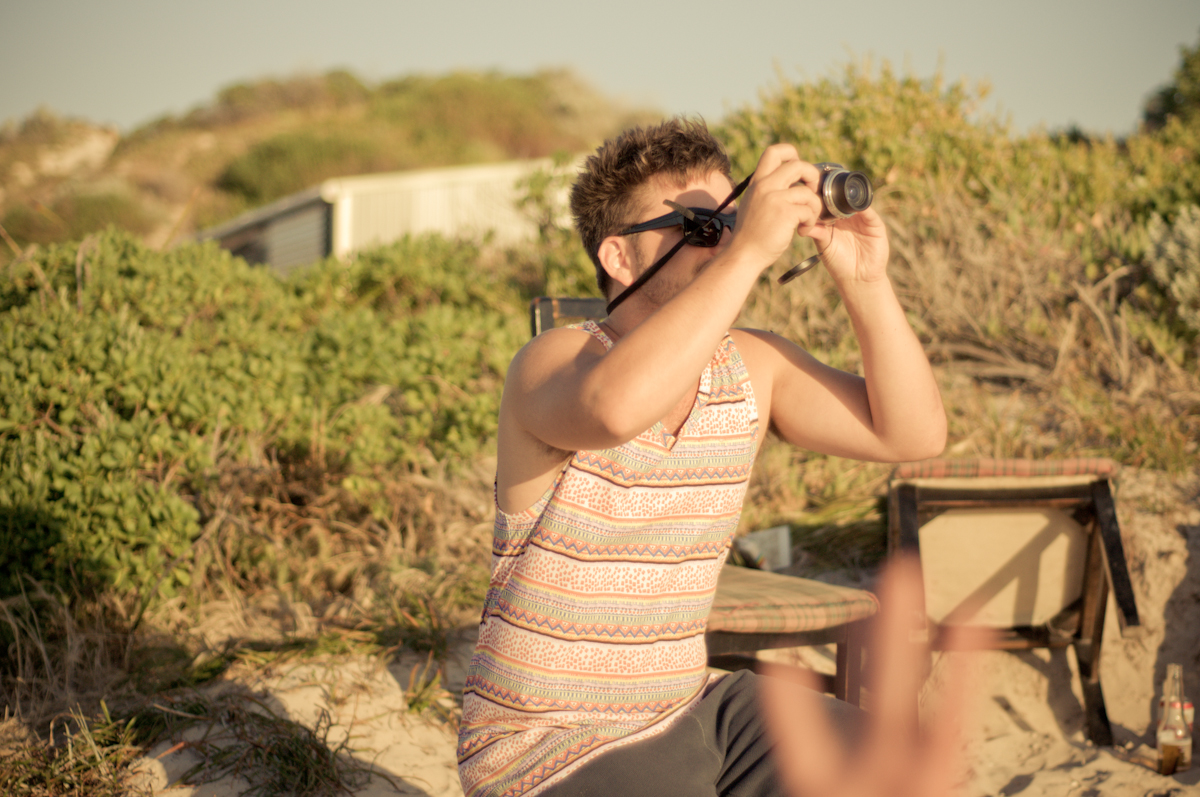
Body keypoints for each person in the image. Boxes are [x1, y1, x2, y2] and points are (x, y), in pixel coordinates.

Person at [456, 118, 948, 797]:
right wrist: (745, 254)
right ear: (618, 257)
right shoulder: (554, 362)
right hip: (547, 744)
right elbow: (614, 410)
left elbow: (912, 435)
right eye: (700, 227)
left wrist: (866, 282)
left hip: (690, 708)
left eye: (732, 221)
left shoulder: (751, 365)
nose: (724, 241)